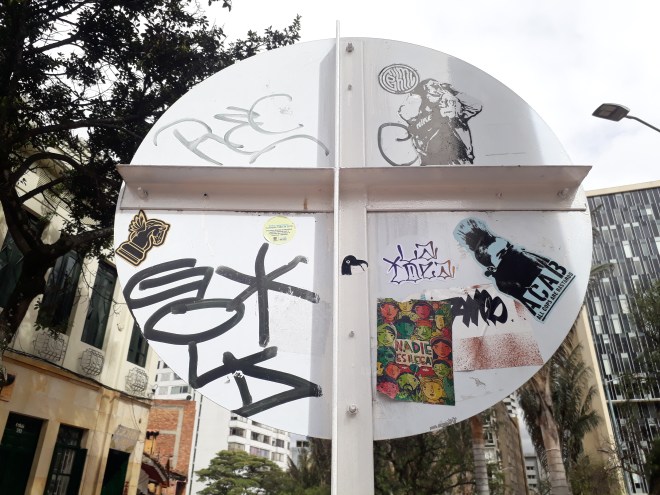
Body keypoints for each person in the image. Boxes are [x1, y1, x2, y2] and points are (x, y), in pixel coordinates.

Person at [398, 79, 482, 165]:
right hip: (432, 165)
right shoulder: (417, 118)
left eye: (438, 86)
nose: (437, 88)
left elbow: (476, 105)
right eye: (433, 86)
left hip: (460, 162)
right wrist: (415, 94)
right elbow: (404, 112)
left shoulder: (453, 112)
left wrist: (453, 91)